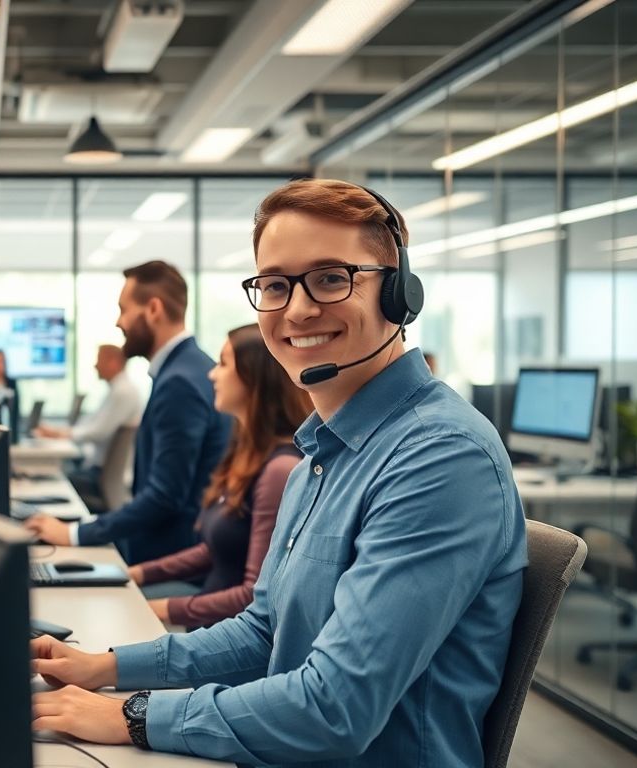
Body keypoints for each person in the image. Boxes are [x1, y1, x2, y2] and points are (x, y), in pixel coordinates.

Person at [27, 180, 527, 767]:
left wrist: (132, 713)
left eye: (331, 278)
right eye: (274, 284)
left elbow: (334, 708)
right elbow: (264, 631)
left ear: (398, 294)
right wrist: (107, 666)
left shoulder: (439, 457)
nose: (297, 309)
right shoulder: (316, 455)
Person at [26, 261, 232, 565]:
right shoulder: (189, 367)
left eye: (124, 309)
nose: (118, 323)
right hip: (169, 547)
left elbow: (165, 497)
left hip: (168, 555)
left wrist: (74, 534)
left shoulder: (180, 382)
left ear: (153, 310)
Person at [127, 324, 310, 628]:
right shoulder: (248, 452)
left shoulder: (279, 471)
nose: (212, 374)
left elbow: (252, 595)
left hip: (227, 642)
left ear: (255, 378)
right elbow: (213, 550)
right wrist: (139, 573)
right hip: (206, 624)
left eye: (223, 363)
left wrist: (163, 609)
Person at [36, 344, 142, 512]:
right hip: (98, 470)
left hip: (101, 475)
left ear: (113, 363)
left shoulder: (124, 391)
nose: (95, 365)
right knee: (54, 477)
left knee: (56, 481)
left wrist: (60, 434)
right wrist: (61, 433)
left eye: (99, 360)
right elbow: (91, 423)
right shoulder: (117, 389)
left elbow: (98, 432)